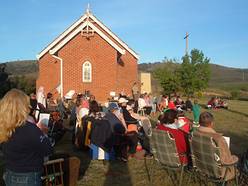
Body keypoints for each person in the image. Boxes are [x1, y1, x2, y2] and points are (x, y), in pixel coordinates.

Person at [0, 89, 53, 186]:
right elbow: (48, 150)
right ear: (23, 107)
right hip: (29, 176)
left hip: (9, 174)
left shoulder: (3, 128)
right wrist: (43, 133)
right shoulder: (30, 129)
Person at [195, 112, 238, 180]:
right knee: (235, 159)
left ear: (199, 122)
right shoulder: (218, 139)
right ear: (212, 123)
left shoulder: (194, 134)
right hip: (217, 171)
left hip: (200, 166)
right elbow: (227, 160)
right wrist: (235, 158)